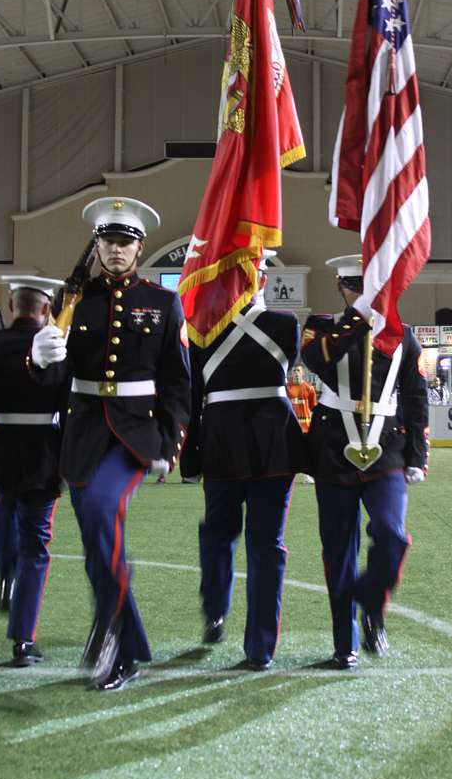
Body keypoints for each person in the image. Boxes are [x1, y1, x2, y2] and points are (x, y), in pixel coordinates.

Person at [30, 197, 191, 691]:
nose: (116, 250)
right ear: (96, 245)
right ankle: (128, 643)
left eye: (125, 242)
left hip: (135, 434)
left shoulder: (163, 303)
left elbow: (179, 382)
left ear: (139, 249)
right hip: (81, 433)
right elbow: (52, 382)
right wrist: (38, 359)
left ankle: (108, 632)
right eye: (108, 241)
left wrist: (171, 440)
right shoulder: (73, 298)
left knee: (101, 512)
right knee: (98, 542)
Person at [301, 255, 428, 669]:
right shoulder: (322, 327)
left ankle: (371, 602)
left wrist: (417, 457)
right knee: (338, 550)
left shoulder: (405, 337)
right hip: (334, 448)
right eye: (354, 286)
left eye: (370, 286)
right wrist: (359, 315)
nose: (362, 293)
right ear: (341, 286)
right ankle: (345, 645)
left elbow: (414, 397)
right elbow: (316, 360)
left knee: (391, 534)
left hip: (386, 447)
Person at [180, 251, 306, 670]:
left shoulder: (282, 324)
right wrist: (191, 454)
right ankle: (216, 606)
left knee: (265, 546)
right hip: (227, 445)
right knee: (219, 534)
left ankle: (260, 647)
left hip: (266, 448)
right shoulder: (203, 330)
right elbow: (195, 398)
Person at [0, 277, 67, 666]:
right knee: (37, 543)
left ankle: (6, 575)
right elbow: (66, 402)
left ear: (12, 307)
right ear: (45, 309)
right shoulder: (59, 349)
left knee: (5, 510)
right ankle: (23, 639)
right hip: (44, 448)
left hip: (3, 444)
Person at [286, 363, 317, 485]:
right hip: (291, 426)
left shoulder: (309, 388)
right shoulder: (287, 388)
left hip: (305, 427)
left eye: (298, 370)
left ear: (303, 372)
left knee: (307, 452)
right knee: (290, 452)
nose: (296, 373)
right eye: (294, 371)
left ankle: (307, 477)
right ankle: (288, 477)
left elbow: (313, 407)